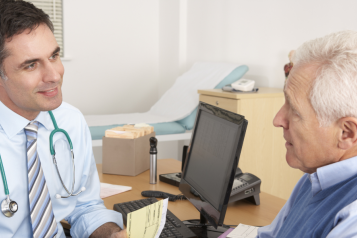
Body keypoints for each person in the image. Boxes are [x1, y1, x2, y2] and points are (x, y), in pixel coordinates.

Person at [0, 1, 127, 237]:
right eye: (31, 65)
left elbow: (84, 207)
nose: (54, 75)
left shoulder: (70, 121)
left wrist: (110, 233)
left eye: (54, 56)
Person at [257, 30, 357, 237]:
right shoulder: (315, 177)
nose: (277, 120)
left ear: (347, 133)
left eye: (294, 109)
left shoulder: (352, 217)